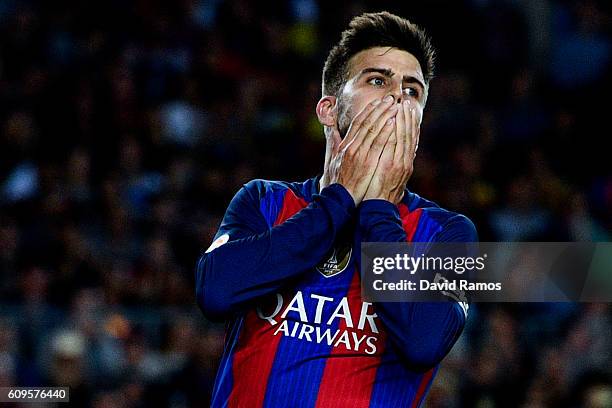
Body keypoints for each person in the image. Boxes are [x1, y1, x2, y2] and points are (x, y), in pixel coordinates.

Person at [196, 11, 477, 408]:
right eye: (377, 80)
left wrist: (378, 206)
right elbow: (215, 293)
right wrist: (341, 197)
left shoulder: (446, 232)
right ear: (328, 109)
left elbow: (423, 342)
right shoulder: (264, 201)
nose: (397, 96)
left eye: (412, 91)